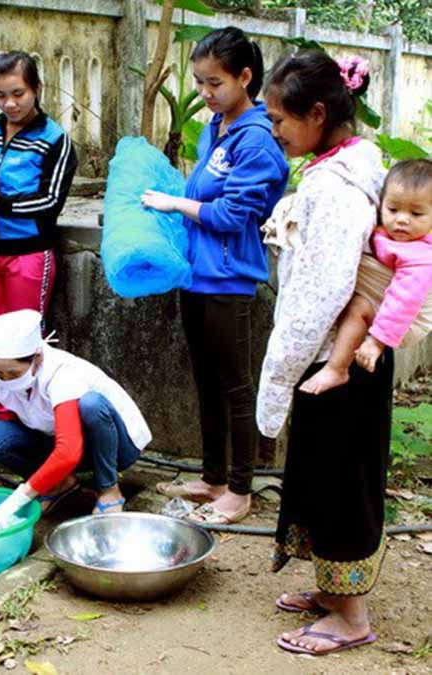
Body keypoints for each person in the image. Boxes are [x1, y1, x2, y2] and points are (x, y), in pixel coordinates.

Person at [256, 51, 389, 656]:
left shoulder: (336, 189)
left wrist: (281, 369)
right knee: (318, 469)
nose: (274, 131)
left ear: (317, 113)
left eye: (280, 119)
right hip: (337, 352)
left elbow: (320, 292)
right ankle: (332, 594)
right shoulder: (344, 166)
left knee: (339, 476)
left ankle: (351, 616)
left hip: (338, 360)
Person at [141, 27, 289, 525]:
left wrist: (175, 203)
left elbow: (229, 215)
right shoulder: (215, 129)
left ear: (245, 78)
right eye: (199, 83)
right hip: (196, 275)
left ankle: (241, 491)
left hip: (229, 279)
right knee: (205, 381)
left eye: (214, 84)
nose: (204, 94)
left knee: (234, 385)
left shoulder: (259, 140)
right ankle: (213, 479)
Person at [0, 309, 152, 527]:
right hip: (65, 442)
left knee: (91, 405)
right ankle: (58, 484)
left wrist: (17, 500)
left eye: (13, 373)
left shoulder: (61, 372)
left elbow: (68, 451)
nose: (5, 379)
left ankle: (109, 489)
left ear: (37, 358)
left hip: (116, 447)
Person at [0, 51, 78, 353]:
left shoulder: (55, 139)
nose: (10, 104)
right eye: (0, 95)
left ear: (36, 89)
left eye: (19, 93)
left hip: (29, 254)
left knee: (25, 344)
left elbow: (51, 201)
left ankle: (29, 402)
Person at [298, 158, 432, 394]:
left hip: (405, 322)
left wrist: (377, 341)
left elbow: (404, 300)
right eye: (393, 209)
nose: (402, 219)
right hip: (388, 309)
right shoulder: (390, 233)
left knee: (359, 307)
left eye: (416, 213)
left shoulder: (421, 256)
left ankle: (337, 368)